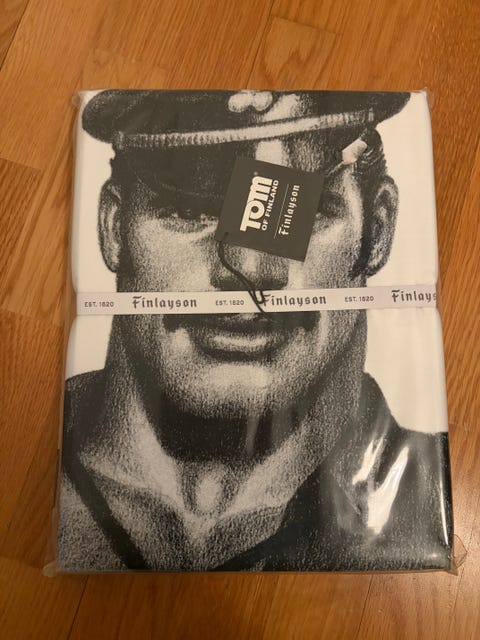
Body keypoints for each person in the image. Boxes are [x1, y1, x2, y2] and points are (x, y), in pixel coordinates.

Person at [57, 90, 452, 572]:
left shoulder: (430, 489)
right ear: (114, 228)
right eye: (190, 211)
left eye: (305, 207)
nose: (252, 268)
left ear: (379, 231)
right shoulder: (28, 462)